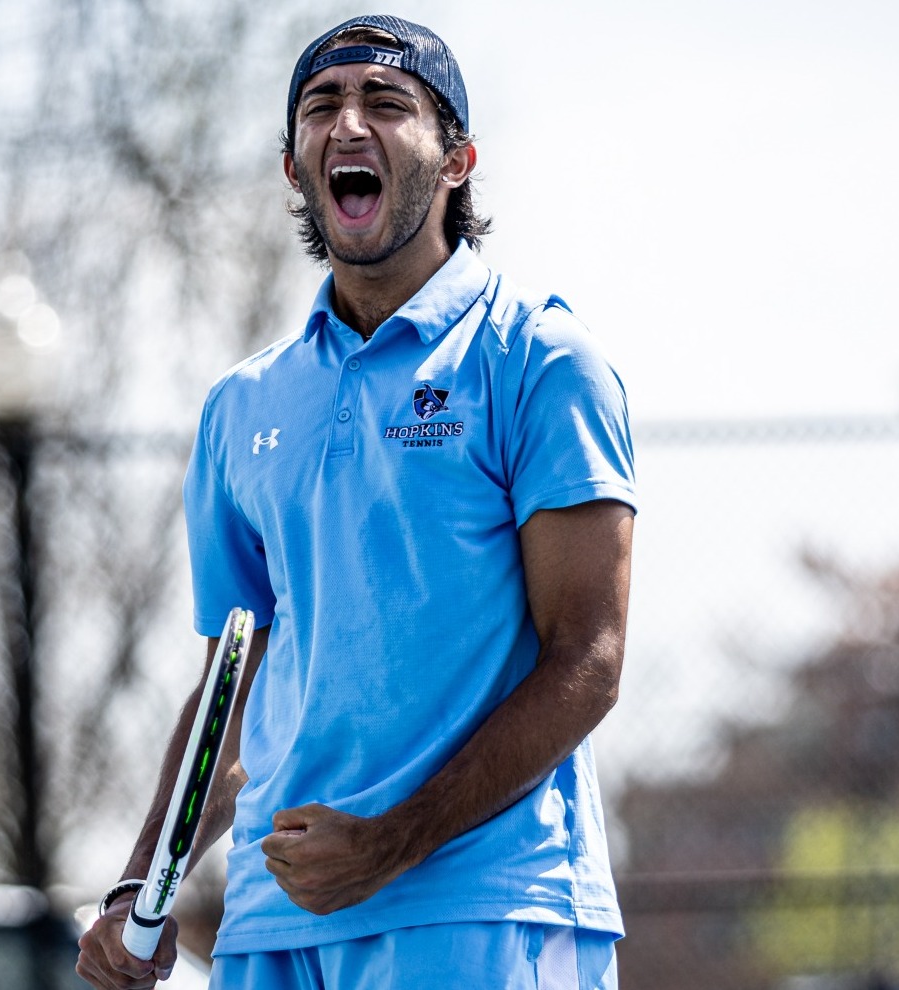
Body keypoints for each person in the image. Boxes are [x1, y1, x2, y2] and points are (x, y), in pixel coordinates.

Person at [77, 14, 636, 989]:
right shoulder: (241, 406)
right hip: (267, 923)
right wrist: (139, 886)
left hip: (483, 906)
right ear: (294, 168)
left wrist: (395, 840)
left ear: (457, 159)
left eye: (386, 103)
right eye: (320, 107)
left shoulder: (539, 360)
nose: (346, 124)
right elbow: (231, 689)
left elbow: (586, 662)